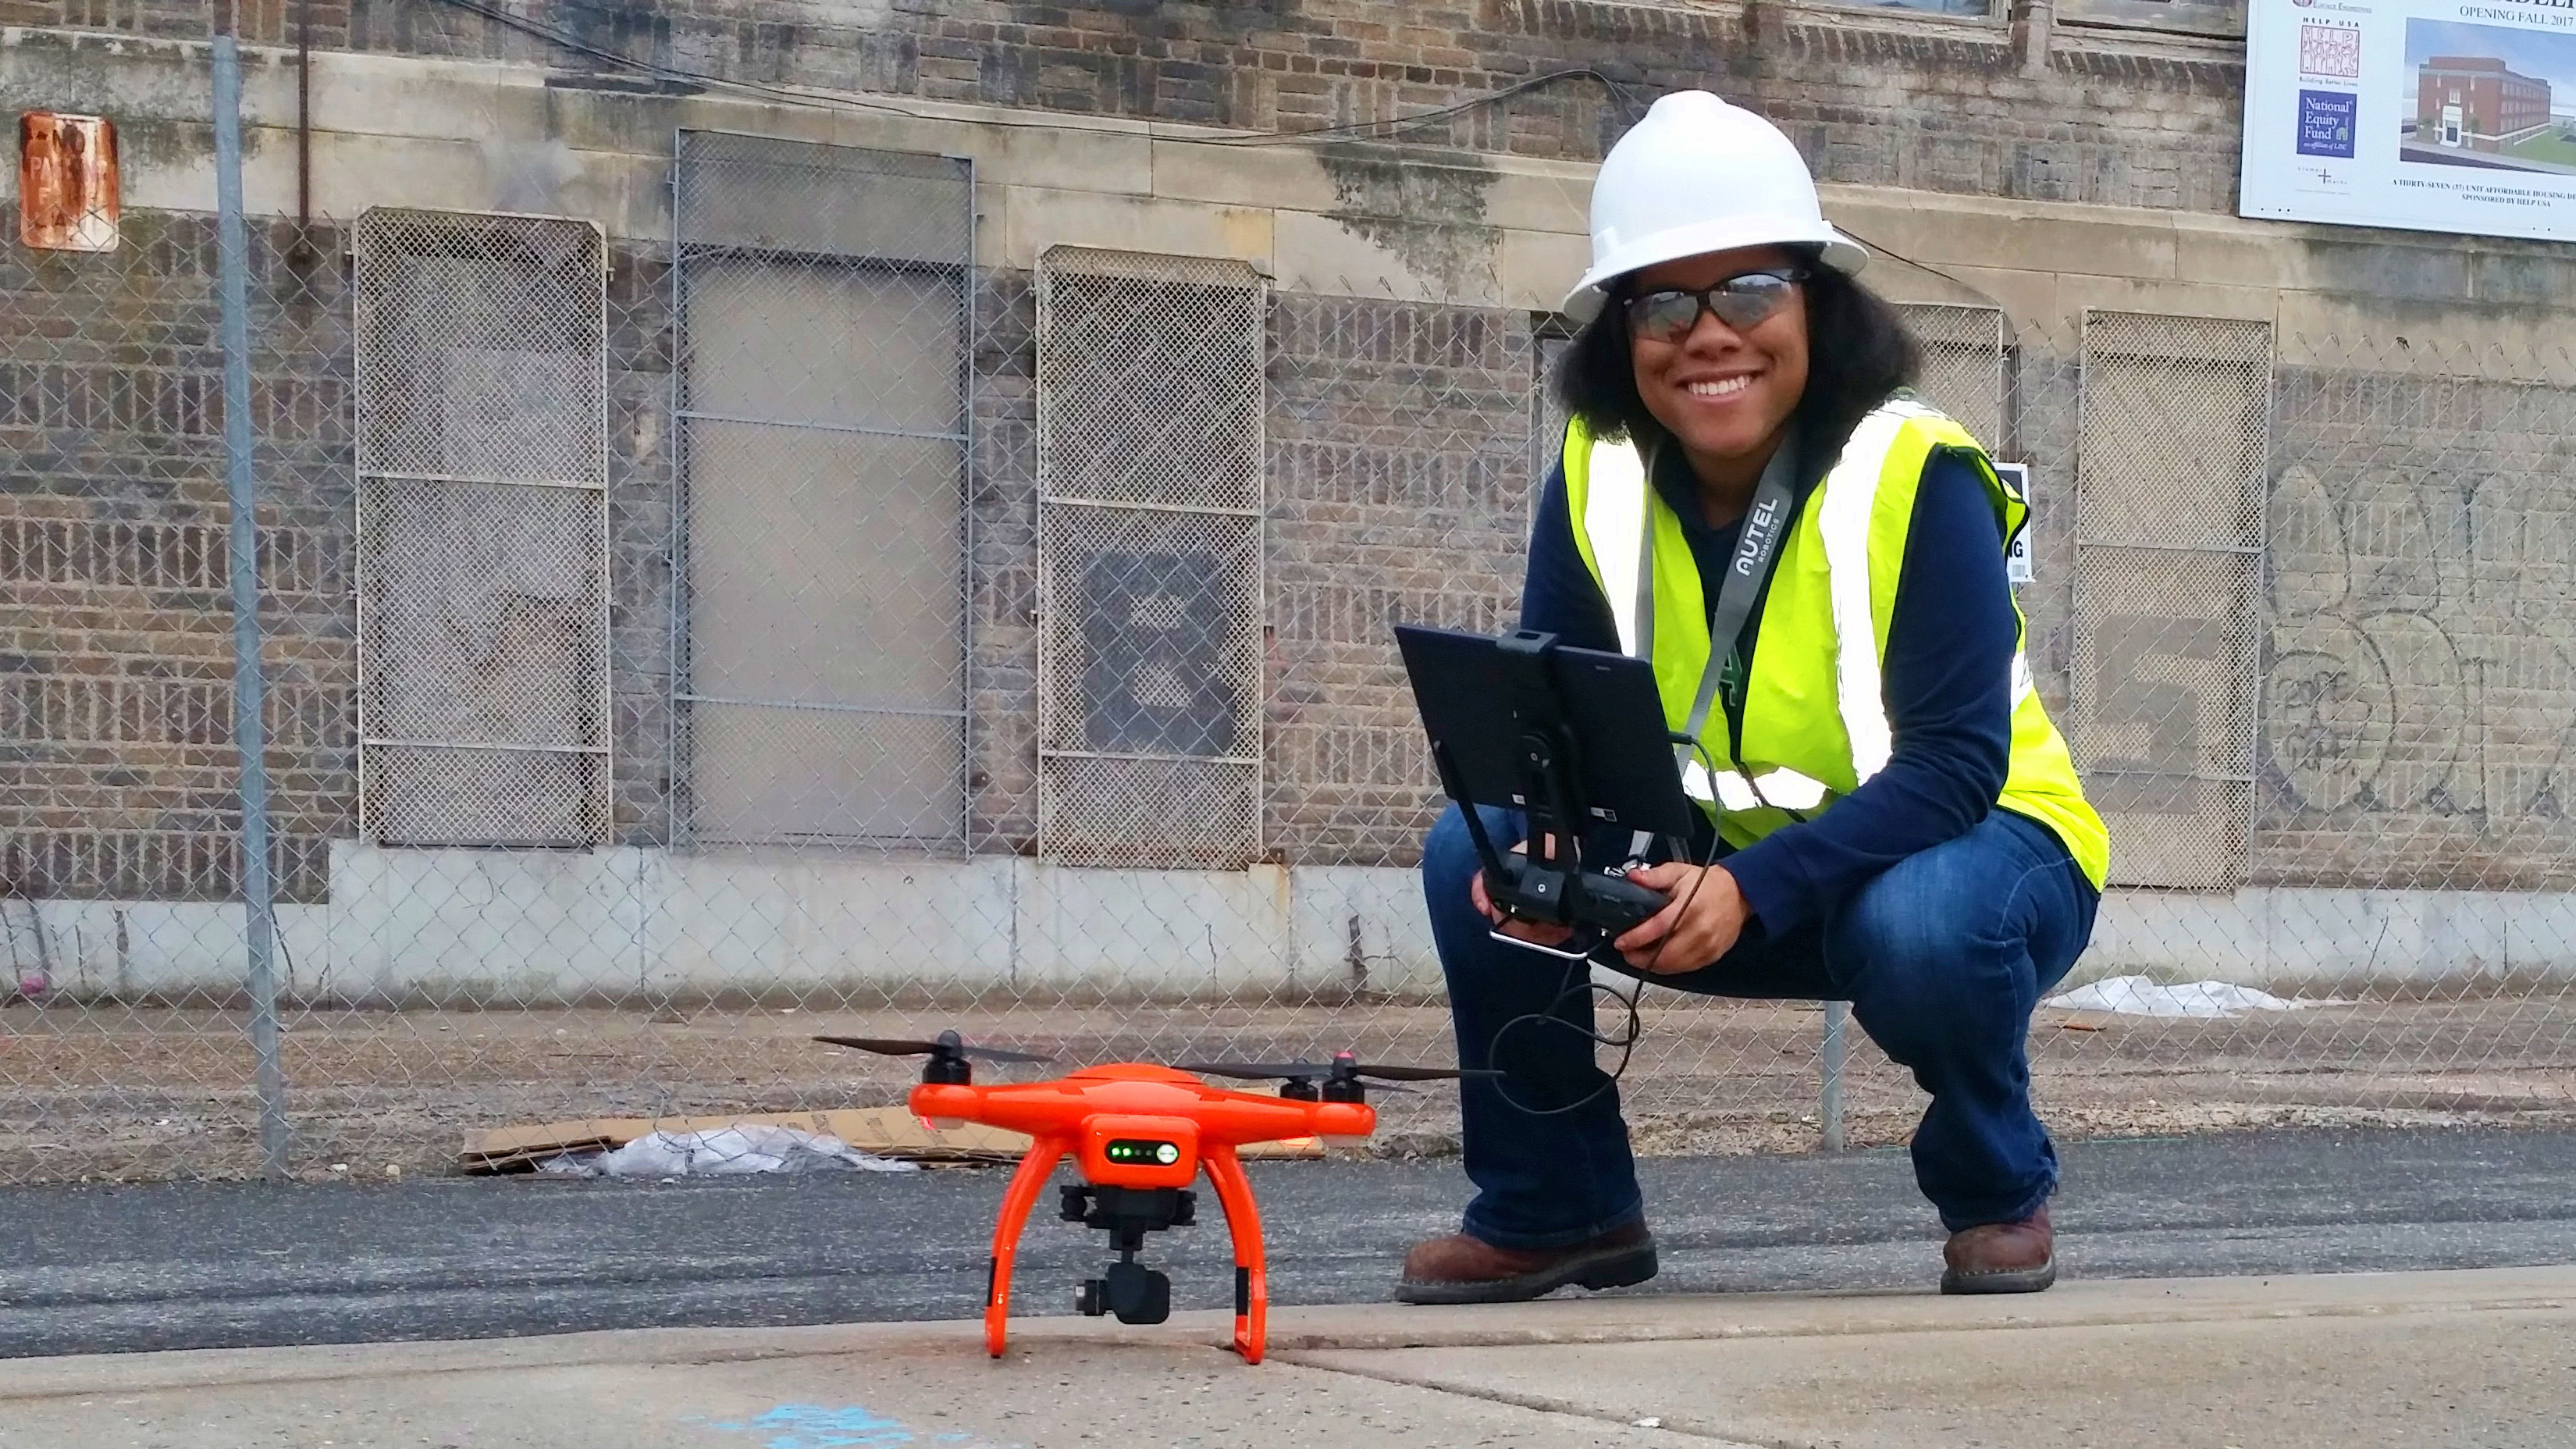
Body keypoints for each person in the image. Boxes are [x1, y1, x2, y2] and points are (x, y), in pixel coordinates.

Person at [1397, 91, 2109, 1305]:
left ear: (1816, 306)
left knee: (1924, 928)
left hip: (1969, 857)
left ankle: (1997, 1191)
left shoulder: (1914, 472)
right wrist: (1555, 844)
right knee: (1480, 850)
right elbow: (1553, 716)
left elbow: (1950, 767)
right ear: (1621, 334)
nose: (1707, 334)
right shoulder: (1599, 470)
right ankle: (1558, 1209)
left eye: (1748, 291)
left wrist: (1750, 887)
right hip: (1720, 870)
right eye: (1662, 303)